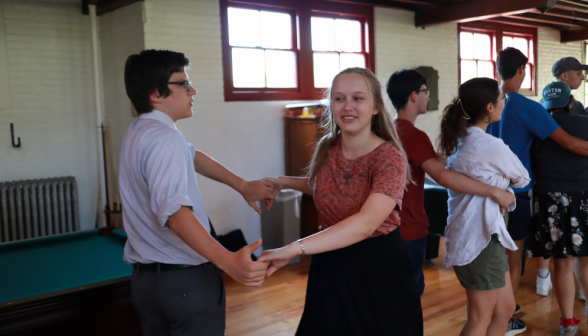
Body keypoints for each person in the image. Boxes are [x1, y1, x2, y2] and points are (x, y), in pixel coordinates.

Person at [119, 49, 273, 336]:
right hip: (185, 284)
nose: (193, 90)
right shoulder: (166, 139)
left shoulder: (139, 131)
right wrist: (227, 260)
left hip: (147, 284)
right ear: (156, 92)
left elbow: (193, 155)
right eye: (183, 84)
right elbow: (176, 213)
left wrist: (242, 185)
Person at [260, 67, 423, 336]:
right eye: (339, 98)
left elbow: (365, 224)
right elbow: (330, 189)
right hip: (331, 265)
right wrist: (281, 181)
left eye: (358, 98)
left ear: (375, 107)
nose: (347, 106)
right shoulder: (329, 146)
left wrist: (293, 248)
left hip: (377, 272)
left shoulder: (389, 158)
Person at [386, 69, 515, 296]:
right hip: (407, 229)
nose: (428, 97)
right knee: (407, 297)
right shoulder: (413, 135)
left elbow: (429, 160)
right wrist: (495, 191)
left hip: (393, 228)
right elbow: (443, 177)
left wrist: (459, 157)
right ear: (414, 95)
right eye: (426, 92)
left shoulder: (394, 129)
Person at [487, 47, 588, 328]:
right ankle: (504, 318)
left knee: (491, 256)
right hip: (515, 194)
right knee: (513, 258)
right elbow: (567, 142)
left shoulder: (484, 102)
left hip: (482, 193)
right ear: (522, 69)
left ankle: (494, 311)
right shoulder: (527, 107)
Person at [439, 77, 530, 336]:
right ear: (489, 108)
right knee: (480, 318)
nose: (505, 100)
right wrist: (502, 187)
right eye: (502, 97)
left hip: (479, 238)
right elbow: (523, 177)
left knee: (504, 310)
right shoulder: (488, 145)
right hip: (480, 240)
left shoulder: (460, 140)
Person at [528, 81, 588, 336]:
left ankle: (568, 323)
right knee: (586, 261)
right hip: (582, 196)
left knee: (562, 263)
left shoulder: (537, 128)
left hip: (549, 197)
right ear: (570, 101)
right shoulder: (584, 122)